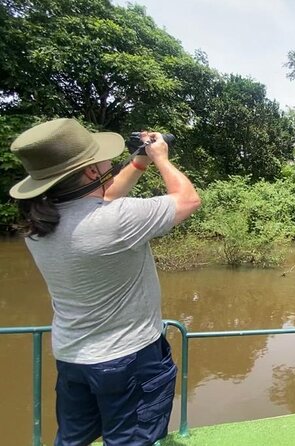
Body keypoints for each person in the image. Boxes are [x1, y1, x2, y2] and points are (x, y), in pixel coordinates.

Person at [9, 118, 201, 445]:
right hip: (131, 359)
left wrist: (138, 162)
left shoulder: (38, 226)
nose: (108, 160)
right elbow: (187, 200)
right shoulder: (118, 220)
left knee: (72, 439)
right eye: (100, 159)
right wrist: (161, 158)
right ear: (90, 172)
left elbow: (100, 200)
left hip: (73, 358)